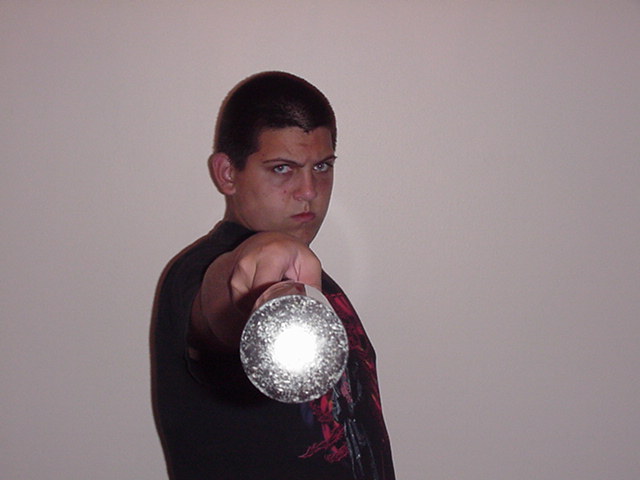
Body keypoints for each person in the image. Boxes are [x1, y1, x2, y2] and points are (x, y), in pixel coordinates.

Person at [151, 71, 395, 479]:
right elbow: (219, 307)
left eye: (321, 166)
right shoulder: (196, 272)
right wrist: (256, 265)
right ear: (227, 173)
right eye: (282, 168)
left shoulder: (318, 287)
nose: (309, 190)